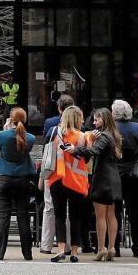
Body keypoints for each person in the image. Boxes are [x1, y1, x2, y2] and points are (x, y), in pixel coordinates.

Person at [64, 107, 122, 262]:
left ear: (104, 119)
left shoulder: (103, 136)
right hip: (114, 176)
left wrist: (75, 149)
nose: (94, 123)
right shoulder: (114, 135)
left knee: (100, 215)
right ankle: (112, 247)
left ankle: (102, 248)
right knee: (112, 214)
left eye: (97, 119)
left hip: (102, 176)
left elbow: (93, 151)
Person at [0, 107, 36, 261]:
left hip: (4, 177)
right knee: (22, 216)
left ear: (10, 119)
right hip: (22, 179)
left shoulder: (3, 135)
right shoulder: (30, 138)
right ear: (24, 120)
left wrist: (6, 129)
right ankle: (27, 253)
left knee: (4, 216)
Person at [45, 105, 88, 262]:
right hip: (76, 180)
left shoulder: (53, 133)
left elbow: (46, 151)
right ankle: (75, 252)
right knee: (75, 217)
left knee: (59, 215)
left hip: (57, 177)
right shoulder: (83, 137)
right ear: (78, 119)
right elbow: (88, 159)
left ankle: (61, 249)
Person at [39, 94, 75, 254]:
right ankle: (67, 245)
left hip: (53, 168)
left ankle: (46, 245)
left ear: (59, 108)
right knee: (67, 209)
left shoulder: (50, 124)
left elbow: (46, 146)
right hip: (73, 170)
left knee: (50, 207)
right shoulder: (79, 124)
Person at [112, 99, 138, 258]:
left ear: (114, 114)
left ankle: (114, 246)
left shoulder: (111, 129)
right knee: (137, 212)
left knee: (114, 212)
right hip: (135, 174)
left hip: (115, 174)